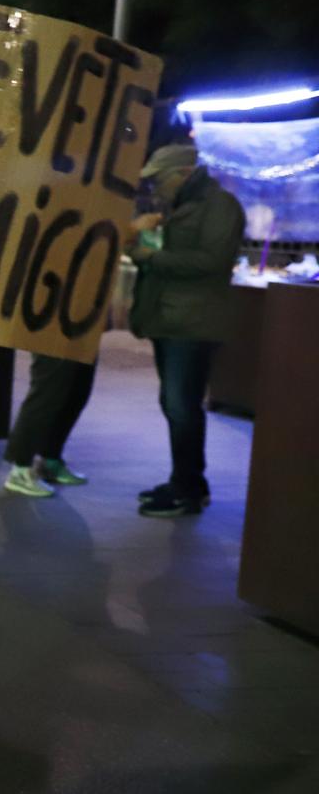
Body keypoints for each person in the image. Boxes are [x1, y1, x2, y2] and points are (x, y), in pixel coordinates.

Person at [128, 143, 243, 518]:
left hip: (193, 324)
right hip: (171, 320)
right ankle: (188, 480)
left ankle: (187, 491)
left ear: (184, 173)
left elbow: (213, 261)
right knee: (175, 405)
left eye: (160, 180)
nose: (155, 189)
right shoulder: (181, 206)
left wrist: (152, 257)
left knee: (182, 406)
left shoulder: (220, 205)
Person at [2, 354, 95, 498]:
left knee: (77, 390)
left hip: (84, 334)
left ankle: (50, 462)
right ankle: (20, 470)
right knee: (47, 393)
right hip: (52, 333)